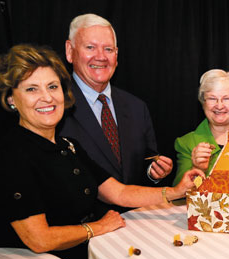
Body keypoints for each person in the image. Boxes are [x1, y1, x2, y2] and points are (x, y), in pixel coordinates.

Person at [0, 44, 204, 259]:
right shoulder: (12, 154)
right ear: (12, 99)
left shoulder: (68, 145)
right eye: (31, 89)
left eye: (53, 87)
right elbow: (39, 239)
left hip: (84, 254)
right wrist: (98, 227)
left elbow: (119, 192)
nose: (47, 97)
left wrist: (176, 191)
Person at [58, 13, 172, 188]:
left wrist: (153, 172)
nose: (101, 56)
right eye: (90, 47)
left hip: (135, 213)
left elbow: (147, 161)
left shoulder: (137, 108)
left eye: (108, 49)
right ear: (69, 51)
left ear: (116, 56)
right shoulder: (55, 107)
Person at [173, 69, 229, 185]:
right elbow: (178, 194)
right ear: (203, 102)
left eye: (226, 99)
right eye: (212, 98)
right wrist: (197, 169)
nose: (219, 106)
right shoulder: (186, 143)